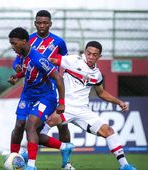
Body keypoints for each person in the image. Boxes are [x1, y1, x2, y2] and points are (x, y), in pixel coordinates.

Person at [49, 40, 137, 170]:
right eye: (88, 53)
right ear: (85, 52)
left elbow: (101, 93)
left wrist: (119, 102)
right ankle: (27, 156)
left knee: (109, 131)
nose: (90, 57)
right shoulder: (73, 60)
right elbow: (50, 60)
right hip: (65, 107)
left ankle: (125, 165)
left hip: (83, 111)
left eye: (94, 55)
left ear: (99, 56)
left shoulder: (97, 75)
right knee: (43, 125)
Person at [11, 10, 73, 170]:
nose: (42, 26)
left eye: (45, 22)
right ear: (35, 23)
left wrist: (63, 99)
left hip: (50, 89)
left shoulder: (58, 42)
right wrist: (17, 72)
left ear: (50, 24)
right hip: (29, 91)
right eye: (39, 22)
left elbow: (66, 63)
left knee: (61, 125)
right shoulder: (26, 41)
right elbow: (20, 62)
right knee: (22, 126)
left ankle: (65, 161)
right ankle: (14, 159)